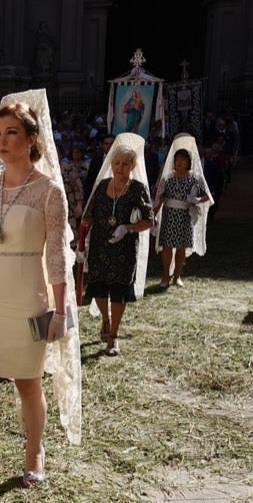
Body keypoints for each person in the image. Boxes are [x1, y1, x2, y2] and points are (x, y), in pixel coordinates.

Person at [0, 90, 82, 503]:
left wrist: (60, 309)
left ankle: (35, 453)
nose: (2, 140)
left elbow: (57, 256)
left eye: (12, 132)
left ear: (32, 138)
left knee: (28, 382)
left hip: (29, 294)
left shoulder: (49, 192)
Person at [81, 134, 153, 356]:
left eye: (125, 164)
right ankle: (105, 319)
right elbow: (88, 216)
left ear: (133, 166)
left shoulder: (137, 189)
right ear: (110, 164)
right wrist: (81, 244)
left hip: (123, 249)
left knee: (119, 290)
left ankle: (113, 336)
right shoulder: (102, 185)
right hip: (100, 246)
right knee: (99, 286)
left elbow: (149, 220)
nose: (120, 168)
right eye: (116, 163)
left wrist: (128, 228)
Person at [152, 135, 213, 287]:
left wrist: (197, 200)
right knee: (166, 246)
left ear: (188, 162)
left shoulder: (194, 179)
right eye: (177, 160)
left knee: (181, 247)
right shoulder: (168, 178)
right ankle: (165, 276)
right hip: (169, 215)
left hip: (185, 216)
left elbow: (207, 196)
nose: (179, 162)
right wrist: (153, 215)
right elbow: (159, 197)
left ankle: (177, 276)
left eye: (182, 160)